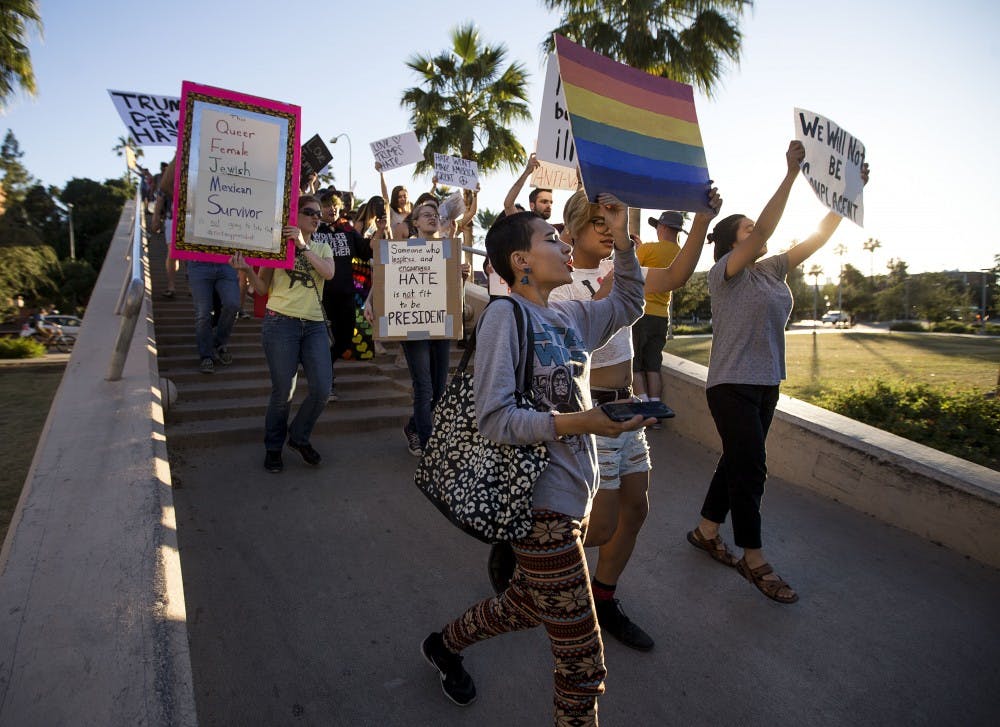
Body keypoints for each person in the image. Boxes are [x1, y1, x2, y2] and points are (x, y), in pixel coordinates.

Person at [421, 199, 650, 725]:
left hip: (573, 501)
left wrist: (623, 239)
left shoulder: (568, 313)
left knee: (521, 606)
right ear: (521, 261)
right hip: (539, 510)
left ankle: (442, 645)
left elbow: (631, 302)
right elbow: (496, 420)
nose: (564, 244)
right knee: (583, 668)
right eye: (551, 238)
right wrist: (583, 422)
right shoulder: (505, 316)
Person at [510, 188, 720, 653]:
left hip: (628, 403)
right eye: (598, 223)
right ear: (572, 229)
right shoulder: (557, 279)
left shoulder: (621, 265)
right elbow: (565, 332)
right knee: (599, 527)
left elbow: (678, 274)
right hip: (591, 410)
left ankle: (603, 599)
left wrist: (702, 219)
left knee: (636, 508)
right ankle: (530, 566)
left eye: (613, 222)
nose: (608, 231)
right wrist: (613, 284)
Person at [686, 141, 869, 604]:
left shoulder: (772, 272)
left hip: (767, 384)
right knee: (752, 468)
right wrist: (791, 173)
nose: (757, 232)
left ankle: (707, 531)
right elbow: (768, 225)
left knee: (737, 460)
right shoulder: (726, 273)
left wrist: (847, 195)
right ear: (734, 242)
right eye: (747, 229)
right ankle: (754, 559)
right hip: (730, 385)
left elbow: (816, 238)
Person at [229, 195, 335, 473]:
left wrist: (302, 246)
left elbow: (328, 273)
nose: (316, 217)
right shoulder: (277, 248)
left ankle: (298, 437)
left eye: (319, 215)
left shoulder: (323, 247)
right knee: (283, 392)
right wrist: (248, 271)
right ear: (294, 216)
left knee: (322, 388)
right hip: (281, 323)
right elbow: (262, 289)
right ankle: (273, 447)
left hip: (313, 326)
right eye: (309, 212)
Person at [396, 200, 468, 456]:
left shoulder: (447, 251)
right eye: (425, 215)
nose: (432, 218)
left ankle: (414, 426)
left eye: (435, 215)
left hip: (439, 323)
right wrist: (372, 303)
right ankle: (428, 443)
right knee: (424, 386)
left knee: (438, 389)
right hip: (412, 326)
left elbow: (450, 292)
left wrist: (461, 276)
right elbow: (388, 282)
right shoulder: (402, 250)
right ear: (414, 223)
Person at [316, 191, 376, 402]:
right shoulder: (313, 231)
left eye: (335, 205)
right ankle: (326, 382)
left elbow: (366, 250)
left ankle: (324, 368)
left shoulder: (348, 231)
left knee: (345, 340)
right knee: (322, 341)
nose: (331, 208)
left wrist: (381, 231)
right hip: (318, 296)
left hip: (345, 294)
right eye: (326, 205)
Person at [632, 211, 686, 412]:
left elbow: (631, 270)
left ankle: (644, 407)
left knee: (635, 364)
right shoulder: (681, 254)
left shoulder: (648, 249)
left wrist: (639, 249)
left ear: (663, 227)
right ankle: (656, 406)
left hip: (641, 313)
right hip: (662, 316)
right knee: (653, 365)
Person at [503, 152, 553, 219]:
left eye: (551, 202)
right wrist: (527, 172)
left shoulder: (555, 228)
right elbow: (508, 204)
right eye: (544, 202)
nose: (549, 205)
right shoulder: (523, 225)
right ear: (532, 205)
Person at [377, 162, 412, 240]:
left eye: (405, 196)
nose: (403, 199)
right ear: (395, 198)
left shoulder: (412, 214)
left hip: (412, 249)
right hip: (395, 248)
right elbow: (385, 196)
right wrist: (381, 174)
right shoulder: (392, 212)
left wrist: (434, 186)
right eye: (399, 197)